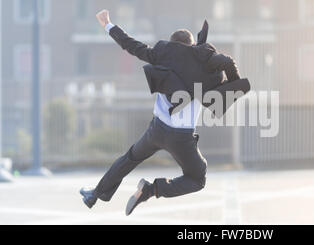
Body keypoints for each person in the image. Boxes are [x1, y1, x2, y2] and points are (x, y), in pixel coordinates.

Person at [80, 9, 250, 216]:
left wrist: (108, 24)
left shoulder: (161, 55)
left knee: (130, 158)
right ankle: (152, 190)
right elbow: (228, 62)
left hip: (156, 130)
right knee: (198, 178)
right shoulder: (203, 63)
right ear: (192, 45)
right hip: (181, 138)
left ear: (172, 44)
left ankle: (95, 194)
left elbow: (131, 45)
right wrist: (229, 83)